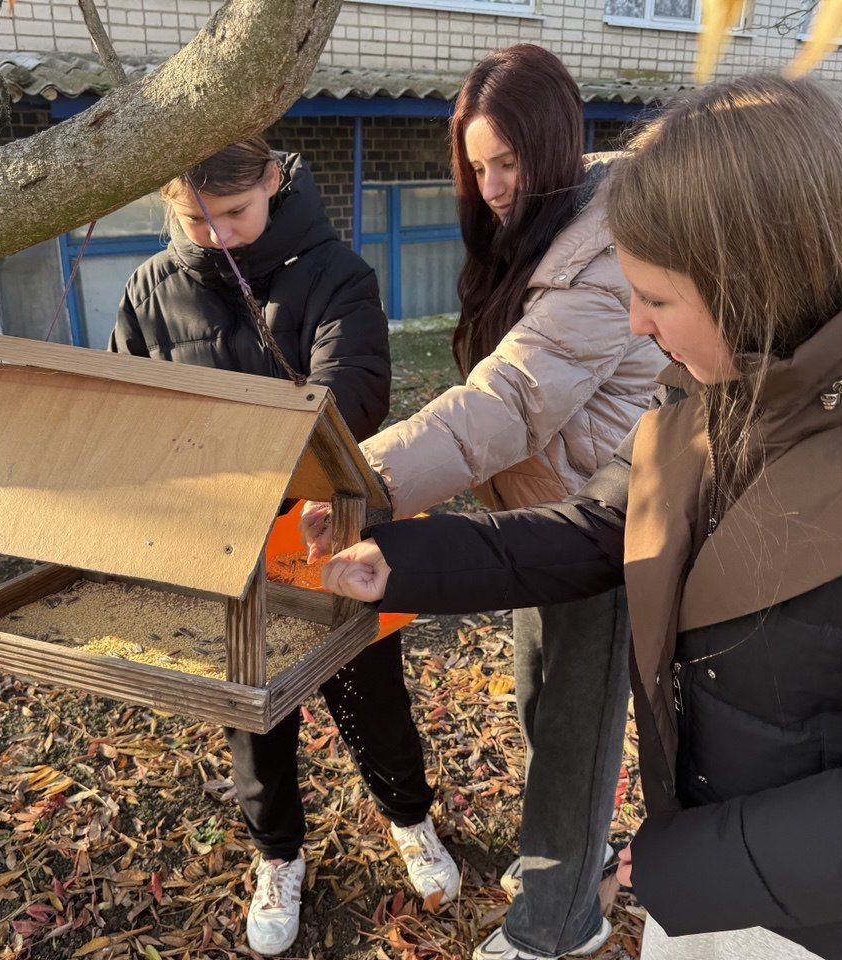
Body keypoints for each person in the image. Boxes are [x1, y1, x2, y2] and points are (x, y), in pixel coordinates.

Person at [320, 76, 842, 960]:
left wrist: (662, 869)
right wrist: (401, 563)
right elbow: (602, 524)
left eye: (657, 301)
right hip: (708, 862)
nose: (637, 323)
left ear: (755, 280)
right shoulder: (740, 368)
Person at [303, 44, 663, 960]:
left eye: (510, 162)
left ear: (556, 144)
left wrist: (359, 481)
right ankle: (566, 861)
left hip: (602, 527)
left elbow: (503, 404)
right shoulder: (546, 227)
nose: (493, 184)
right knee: (544, 705)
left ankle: (558, 924)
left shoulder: (607, 251)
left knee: (578, 733)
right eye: (477, 164)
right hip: (539, 518)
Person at [110, 139, 458, 957]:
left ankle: (409, 818)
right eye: (195, 219)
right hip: (224, 544)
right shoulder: (151, 289)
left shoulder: (336, 273)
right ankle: (279, 855)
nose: (218, 236)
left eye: (234, 213)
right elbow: (135, 407)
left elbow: (357, 390)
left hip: (327, 527)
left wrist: (253, 447)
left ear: (274, 179)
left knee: (373, 698)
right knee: (255, 721)